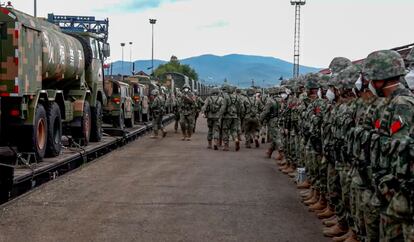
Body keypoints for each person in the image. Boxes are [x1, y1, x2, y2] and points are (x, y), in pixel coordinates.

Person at [362, 50, 414, 242]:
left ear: (378, 80)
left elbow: (399, 150)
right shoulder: (392, 102)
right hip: (392, 186)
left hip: (401, 189)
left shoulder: (402, 103)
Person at [221, 85, 242, 151]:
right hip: (235, 116)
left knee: (225, 130)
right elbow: (240, 107)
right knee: (234, 130)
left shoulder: (226, 97)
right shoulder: (237, 97)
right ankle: (236, 139)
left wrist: (220, 114)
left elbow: (223, 107)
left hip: (227, 116)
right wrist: (237, 114)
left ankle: (226, 146)